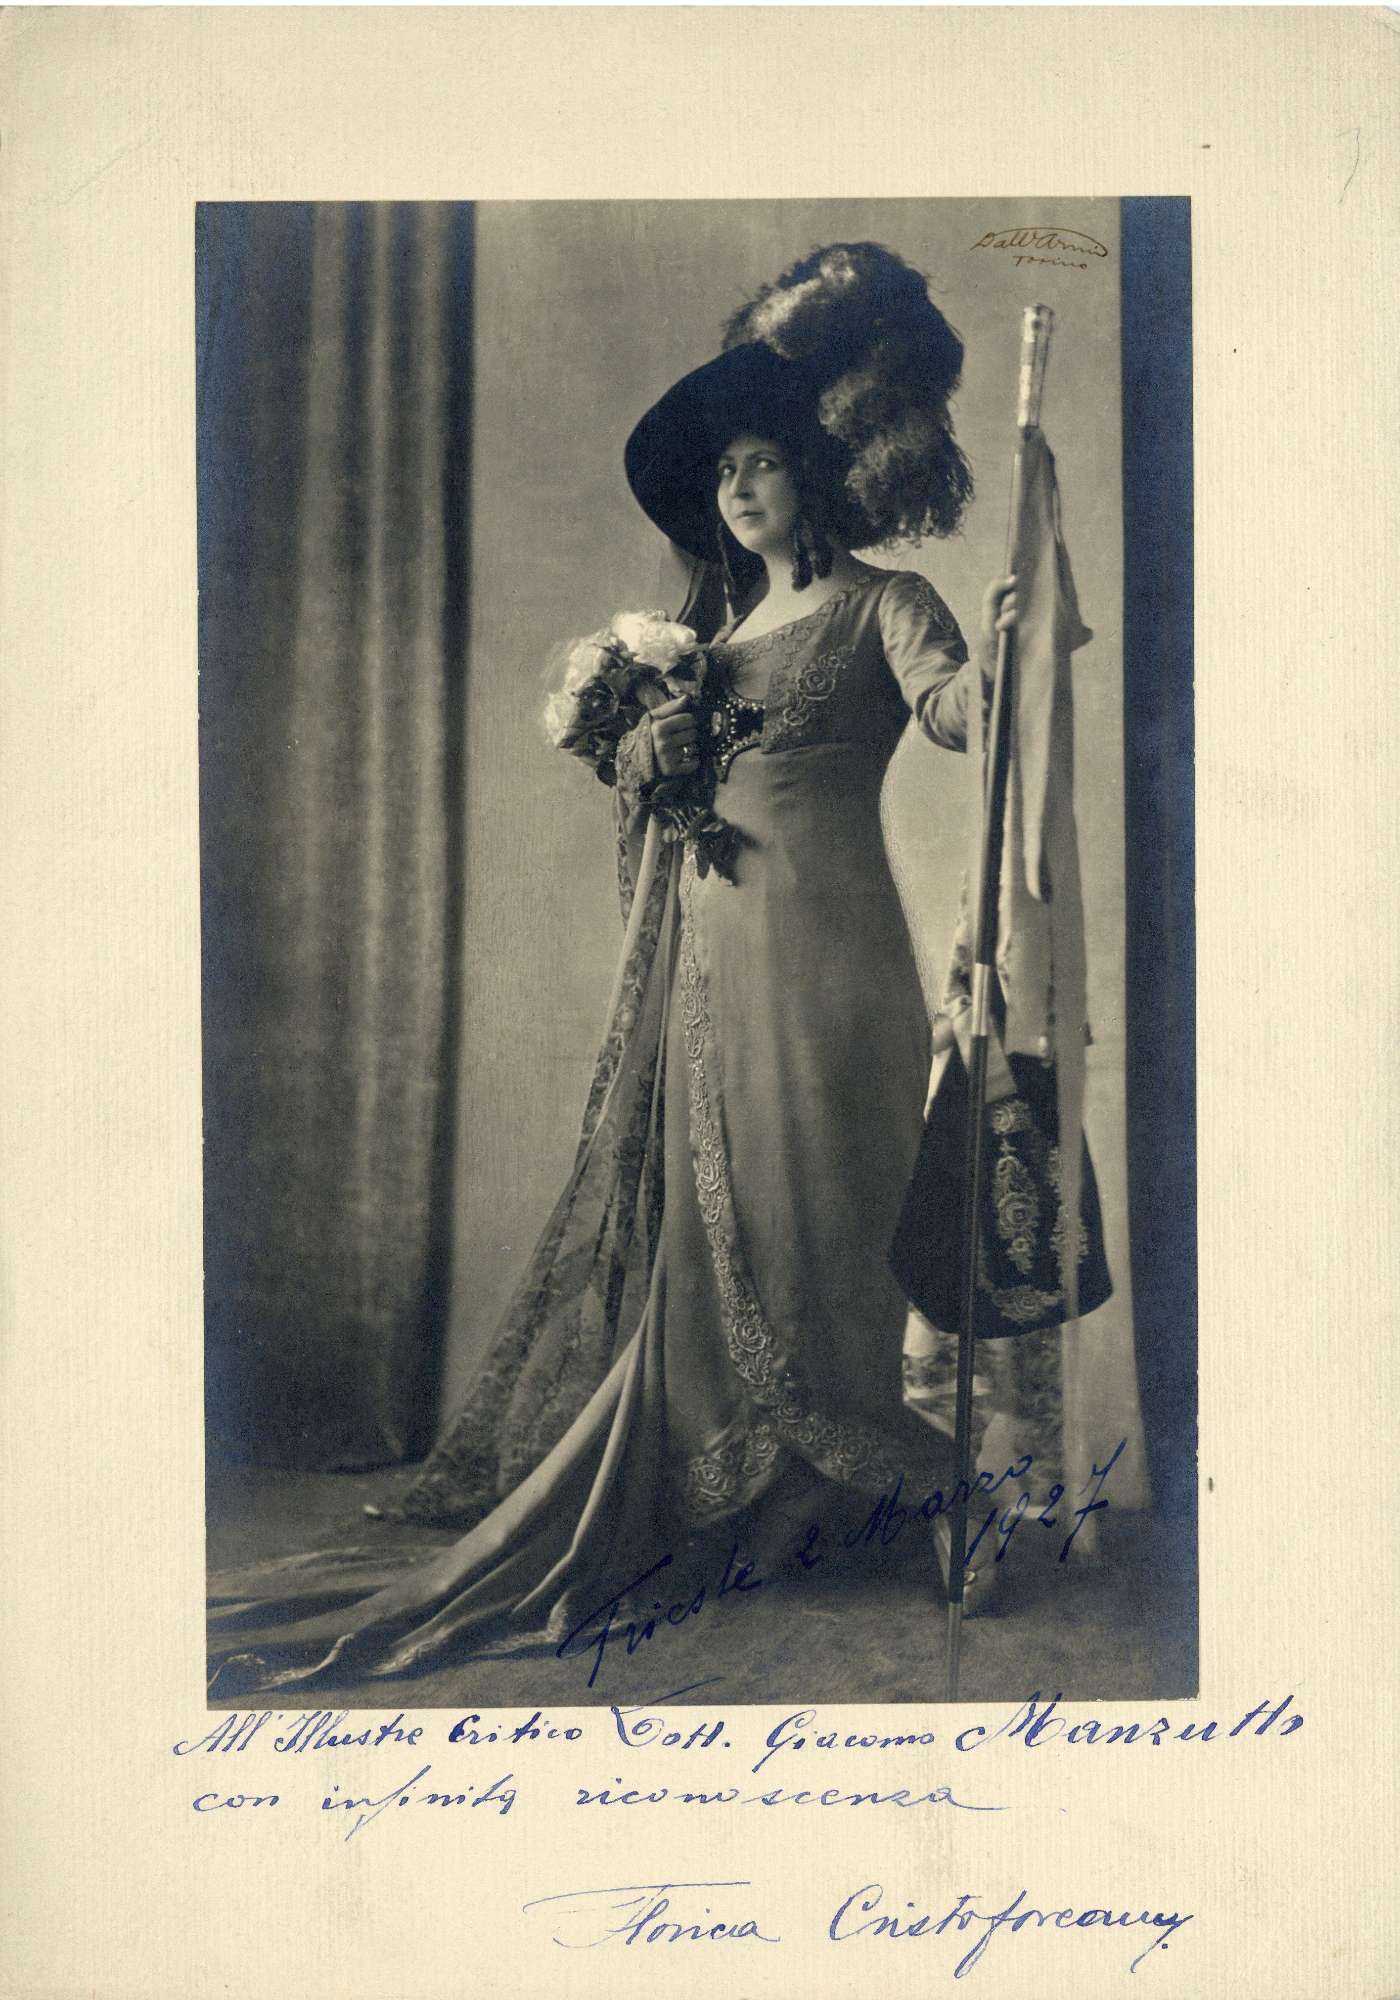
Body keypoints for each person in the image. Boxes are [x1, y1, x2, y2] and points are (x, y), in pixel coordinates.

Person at [207, 242, 1019, 1694]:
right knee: (715, 1225)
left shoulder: (886, 601)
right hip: (710, 958)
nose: (742, 489)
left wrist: (1002, 661)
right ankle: (759, 1500)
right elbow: (659, 790)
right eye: (726, 474)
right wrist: (644, 748)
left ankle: (911, 1485)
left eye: (765, 463)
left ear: (816, 472)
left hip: (833, 960)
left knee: (830, 1223)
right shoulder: (708, 635)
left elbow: (954, 713)